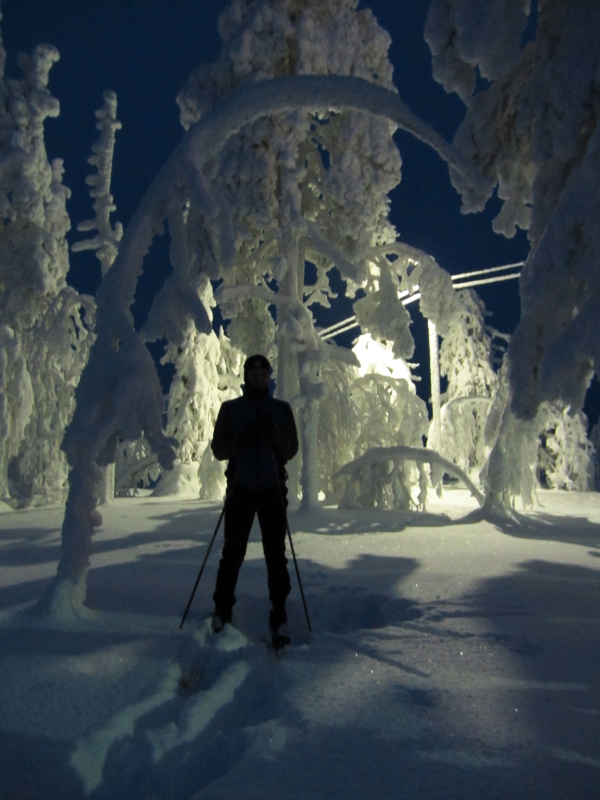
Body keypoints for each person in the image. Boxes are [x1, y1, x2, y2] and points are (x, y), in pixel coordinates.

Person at [210, 354, 299, 640]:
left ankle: (279, 611)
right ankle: (222, 609)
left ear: (268, 376)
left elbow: (290, 450)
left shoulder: (281, 409)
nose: (260, 378)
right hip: (241, 489)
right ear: (246, 376)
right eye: (254, 374)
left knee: (276, 554)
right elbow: (219, 450)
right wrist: (244, 438)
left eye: (264, 374)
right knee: (232, 553)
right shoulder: (231, 409)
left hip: (273, 489)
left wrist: (273, 432)